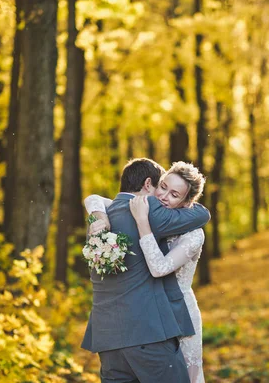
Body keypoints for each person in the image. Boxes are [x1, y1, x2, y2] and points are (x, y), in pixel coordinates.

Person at [80, 158, 210, 383]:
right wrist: (142, 220)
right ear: (150, 183)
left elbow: (94, 198)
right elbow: (203, 214)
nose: (163, 197)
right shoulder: (153, 215)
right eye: (163, 187)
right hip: (149, 330)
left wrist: (96, 210)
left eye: (174, 194)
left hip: (108, 336)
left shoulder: (101, 221)